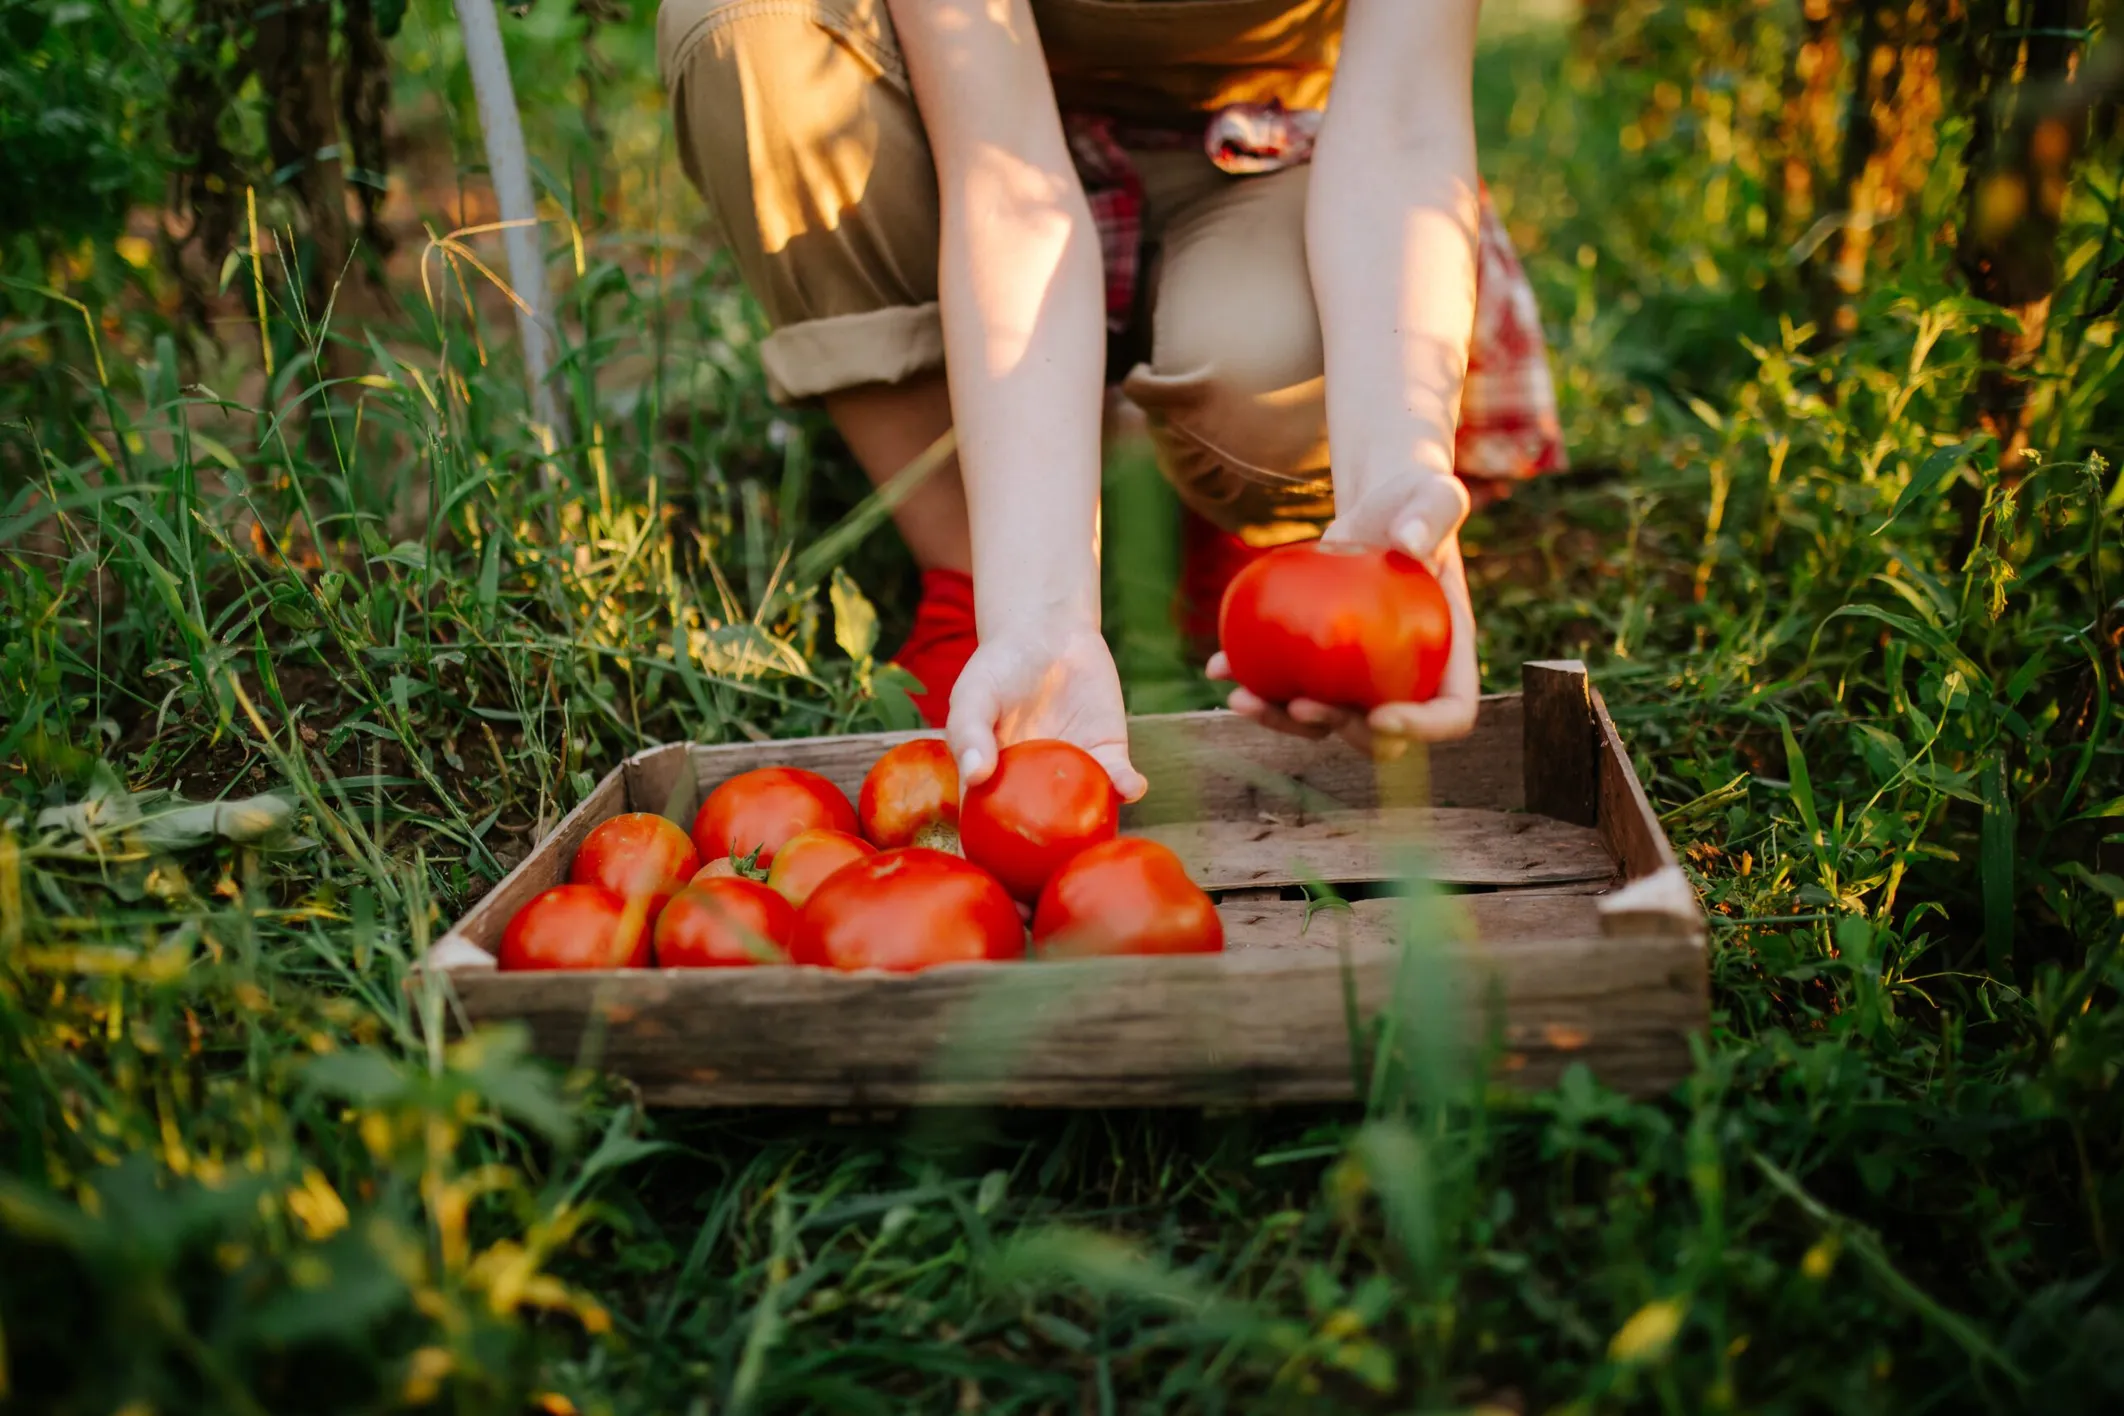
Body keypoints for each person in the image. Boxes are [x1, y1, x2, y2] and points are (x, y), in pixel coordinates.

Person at [656, 0, 1562, 800]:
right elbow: (1008, 179)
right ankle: (974, 580)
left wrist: (1393, 476)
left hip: (1278, 151)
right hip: (966, 137)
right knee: (741, 21)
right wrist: (1036, 614)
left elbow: (1402, 124)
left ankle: (1251, 528)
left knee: (1261, 364)